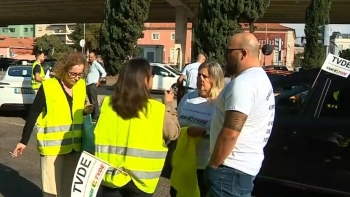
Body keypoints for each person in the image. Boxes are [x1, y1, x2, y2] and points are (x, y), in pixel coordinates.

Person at [94, 58, 180, 197]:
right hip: (140, 182)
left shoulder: (107, 104)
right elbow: (173, 133)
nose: (152, 78)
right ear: (144, 79)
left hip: (110, 177)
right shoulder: (157, 109)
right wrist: (169, 105)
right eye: (151, 75)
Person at [12, 51, 93, 197]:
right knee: (52, 191)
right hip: (52, 150)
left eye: (80, 74)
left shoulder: (81, 85)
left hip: (75, 147)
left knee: (71, 191)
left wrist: (87, 111)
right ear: (63, 69)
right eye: (73, 74)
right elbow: (33, 114)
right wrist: (23, 141)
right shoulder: (48, 87)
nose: (76, 78)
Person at [205, 32, 275, 197]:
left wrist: (213, 166)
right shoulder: (260, 79)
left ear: (243, 53)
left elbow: (231, 133)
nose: (226, 56)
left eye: (229, 52)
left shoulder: (243, 84)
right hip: (241, 168)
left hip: (229, 170)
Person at [170, 61, 225, 197]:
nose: (201, 79)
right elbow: (177, 123)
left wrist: (203, 133)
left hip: (204, 165)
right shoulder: (188, 98)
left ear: (215, 78)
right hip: (183, 162)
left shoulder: (220, 103)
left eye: (205, 76)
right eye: (199, 75)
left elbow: (222, 134)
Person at [86, 52, 107, 122]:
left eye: (91, 57)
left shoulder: (96, 64)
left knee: (94, 101)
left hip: (93, 84)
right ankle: (93, 115)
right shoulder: (90, 65)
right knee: (91, 101)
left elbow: (104, 73)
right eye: (89, 57)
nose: (90, 58)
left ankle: (96, 116)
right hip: (88, 85)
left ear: (94, 57)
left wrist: (99, 81)